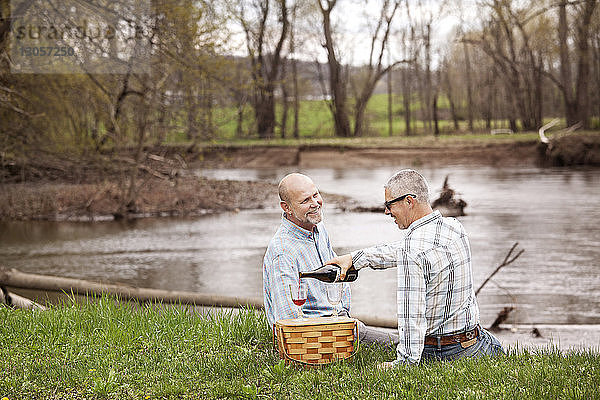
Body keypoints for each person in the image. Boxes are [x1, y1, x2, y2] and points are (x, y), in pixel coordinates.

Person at [326, 169, 505, 367]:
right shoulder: (455, 228)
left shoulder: (411, 251)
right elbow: (404, 250)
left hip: (442, 353)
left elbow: (412, 317)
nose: (386, 211)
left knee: (361, 336)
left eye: (389, 204)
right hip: (477, 343)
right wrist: (356, 258)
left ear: (409, 201)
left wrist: (403, 364)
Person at [263, 173, 398, 346]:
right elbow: (287, 320)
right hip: (317, 336)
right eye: (305, 201)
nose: (315, 204)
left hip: (339, 323)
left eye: (316, 195)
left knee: (406, 338)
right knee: (400, 345)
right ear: (286, 207)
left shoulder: (317, 228)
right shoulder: (283, 251)